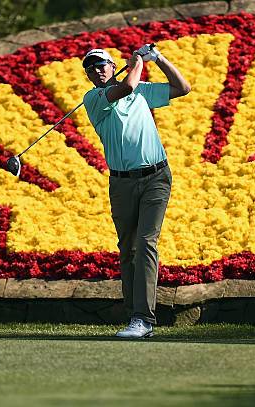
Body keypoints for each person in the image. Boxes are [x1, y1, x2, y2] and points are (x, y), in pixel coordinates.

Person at [82, 45, 190, 338]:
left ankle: (143, 319)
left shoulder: (141, 91)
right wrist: (138, 61)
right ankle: (134, 317)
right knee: (128, 248)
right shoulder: (94, 98)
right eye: (91, 68)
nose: (98, 70)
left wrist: (160, 59)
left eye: (102, 64)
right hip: (121, 183)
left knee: (145, 243)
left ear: (112, 64)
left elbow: (182, 88)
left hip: (156, 177)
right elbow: (127, 85)